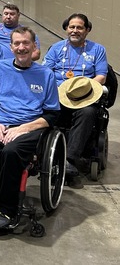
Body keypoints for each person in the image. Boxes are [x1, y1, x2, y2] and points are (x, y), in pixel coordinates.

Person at [0, 27, 60, 229]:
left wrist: (22, 129)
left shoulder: (45, 74)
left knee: (11, 153)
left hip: (29, 127)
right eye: (17, 44)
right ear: (11, 47)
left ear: (34, 46)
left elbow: (52, 115)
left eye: (26, 43)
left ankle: (7, 208)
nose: (21, 47)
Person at [42, 13, 107, 177]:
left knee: (88, 113)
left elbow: (101, 76)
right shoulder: (56, 48)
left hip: (83, 96)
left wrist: (86, 89)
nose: (75, 30)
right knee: (43, 109)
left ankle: (70, 158)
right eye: (72, 27)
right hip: (58, 93)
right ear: (66, 28)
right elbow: (45, 71)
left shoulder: (97, 50)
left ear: (87, 30)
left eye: (79, 27)